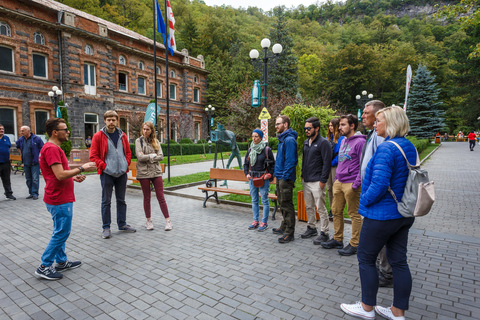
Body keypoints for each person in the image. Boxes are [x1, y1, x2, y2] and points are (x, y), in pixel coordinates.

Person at [340, 106, 417, 320]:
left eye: (379, 121)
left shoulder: (386, 148)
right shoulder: (408, 146)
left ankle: (366, 308)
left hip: (382, 215)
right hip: (404, 213)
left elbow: (379, 184)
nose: (375, 124)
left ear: (391, 123)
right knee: (399, 261)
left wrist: (363, 201)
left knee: (365, 257)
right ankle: (397, 312)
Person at [35, 118, 96, 280]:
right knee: (62, 232)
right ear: (55, 132)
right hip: (58, 198)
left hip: (58, 196)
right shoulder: (52, 149)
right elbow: (60, 174)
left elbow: (57, 173)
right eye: (65, 129)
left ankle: (61, 261)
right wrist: (82, 167)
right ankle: (44, 265)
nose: (68, 132)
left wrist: (74, 177)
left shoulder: (52, 148)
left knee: (59, 230)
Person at [321, 114, 366, 256]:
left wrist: (356, 183)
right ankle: (337, 239)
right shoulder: (344, 141)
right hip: (339, 182)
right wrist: (336, 180)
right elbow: (341, 161)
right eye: (339, 125)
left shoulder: (360, 142)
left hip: (352, 182)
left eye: (343, 125)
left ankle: (355, 243)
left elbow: (362, 164)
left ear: (352, 126)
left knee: (354, 214)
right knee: (336, 211)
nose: (339, 128)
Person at [359, 100, 393, 287]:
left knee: (380, 238)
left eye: (366, 113)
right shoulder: (373, 133)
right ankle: (383, 268)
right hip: (371, 192)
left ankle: (386, 272)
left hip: (377, 197)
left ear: (378, 115)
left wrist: (367, 198)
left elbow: (381, 174)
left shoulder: (381, 136)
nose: (362, 115)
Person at [90, 110, 136, 239]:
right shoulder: (98, 136)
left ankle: (122, 224)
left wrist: (126, 164)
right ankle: (106, 227)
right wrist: (104, 166)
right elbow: (93, 156)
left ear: (117, 121)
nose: (111, 122)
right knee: (106, 201)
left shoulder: (123, 135)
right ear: (105, 121)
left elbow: (128, 152)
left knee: (121, 200)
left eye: (113, 120)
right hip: (107, 174)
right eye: (109, 120)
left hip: (121, 173)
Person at [135, 121, 172, 231]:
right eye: (144, 129)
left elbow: (161, 156)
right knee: (147, 197)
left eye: (147, 129)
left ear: (151, 131)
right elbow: (139, 157)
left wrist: (146, 156)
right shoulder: (138, 141)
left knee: (161, 196)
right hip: (144, 173)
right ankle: (149, 221)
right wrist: (152, 155)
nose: (145, 131)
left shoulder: (156, 141)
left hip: (156, 172)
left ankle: (168, 221)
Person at [300, 117, 331, 242]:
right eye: (305, 128)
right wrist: (303, 175)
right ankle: (311, 227)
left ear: (317, 128)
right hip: (306, 180)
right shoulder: (306, 142)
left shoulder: (324, 143)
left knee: (321, 208)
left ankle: (324, 232)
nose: (306, 130)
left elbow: (327, 163)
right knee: (309, 206)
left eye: (309, 128)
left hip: (318, 181)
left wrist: (323, 181)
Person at [272, 115, 298, 243]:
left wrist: (284, 178)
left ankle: (289, 232)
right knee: (282, 203)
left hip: (285, 178)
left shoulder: (289, 140)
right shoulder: (282, 139)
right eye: (276, 124)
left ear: (285, 124)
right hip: (280, 176)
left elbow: (291, 161)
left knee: (287, 204)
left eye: (278, 124)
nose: (276, 126)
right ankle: (284, 226)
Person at [244, 128, 275, 232]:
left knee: (265, 200)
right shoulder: (250, 149)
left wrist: (270, 175)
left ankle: (264, 222)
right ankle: (255, 221)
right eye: (252, 136)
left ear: (261, 137)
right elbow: (245, 164)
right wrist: (246, 174)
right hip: (252, 178)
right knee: (254, 200)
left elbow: (272, 164)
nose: (254, 138)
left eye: (256, 136)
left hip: (263, 178)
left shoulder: (266, 150)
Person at [16, 126, 44, 200]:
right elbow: (17, 146)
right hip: (26, 162)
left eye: (23, 131)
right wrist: (21, 154)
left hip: (34, 162)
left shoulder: (36, 139)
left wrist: (39, 157)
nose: (21, 132)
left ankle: (35, 193)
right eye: (21, 131)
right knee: (28, 179)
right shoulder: (21, 139)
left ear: (28, 131)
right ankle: (31, 193)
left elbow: (42, 148)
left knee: (35, 179)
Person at [325, 118, 344, 220]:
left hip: (335, 166)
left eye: (332, 126)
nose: (330, 127)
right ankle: (332, 208)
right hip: (328, 166)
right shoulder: (328, 138)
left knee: (335, 188)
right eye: (329, 126)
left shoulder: (341, 139)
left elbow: (340, 154)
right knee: (329, 188)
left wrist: (331, 162)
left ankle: (336, 209)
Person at [0, 124, 16, 200]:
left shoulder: (6, 138)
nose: (2, 130)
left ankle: (9, 193)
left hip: (6, 162)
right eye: (0, 129)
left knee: (7, 179)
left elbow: (8, 148)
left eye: (2, 129)